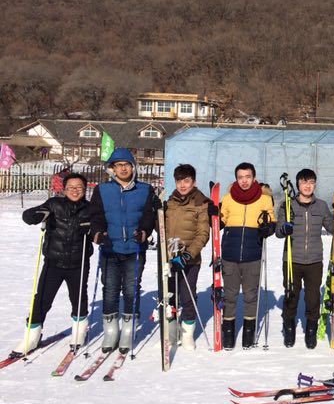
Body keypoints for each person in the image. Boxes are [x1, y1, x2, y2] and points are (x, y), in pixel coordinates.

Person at [12, 173, 93, 355]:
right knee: (42, 299)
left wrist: (94, 229)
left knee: (78, 298)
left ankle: (79, 331)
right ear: (64, 189)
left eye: (79, 187)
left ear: (85, 189)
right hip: (54, 263)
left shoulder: (90, 209)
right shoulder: (54, 204)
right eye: (70, 187)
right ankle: (32, 336)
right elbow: (30, 215)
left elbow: (100, 229)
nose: (74, 190)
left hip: (78, 263)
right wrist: (34, 215)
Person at [89, 148, 155, 354]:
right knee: (109, 289)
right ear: (112, 169)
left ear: (133, 167)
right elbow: (96, 215)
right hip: (111, 248)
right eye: (118, 165)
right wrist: (98, 233)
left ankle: (128, 329)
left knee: (131, 289)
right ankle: (111, 331)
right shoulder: (102, 190)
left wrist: (144, 231)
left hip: (134, 248)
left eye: (126, 165)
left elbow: (149, 216)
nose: (123, 169)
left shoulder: (145, 189)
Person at [219, 162, 275, 350]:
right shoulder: (228, 198)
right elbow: (221, 220)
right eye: (240, 177)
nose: (244, 181)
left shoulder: (264, 199)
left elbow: (271, 220)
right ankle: (228, 332)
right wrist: (214, 215)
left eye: (247, 177)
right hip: (230, 254)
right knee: (230, 295)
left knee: (251, 295)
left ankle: (249, 333)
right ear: (236, 178)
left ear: (254, 178)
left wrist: (269, 228)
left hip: (253, 254)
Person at [275, 168, 334, 349]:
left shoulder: (321, 206)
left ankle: (311, 329)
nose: (307, 186)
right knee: (291, 295)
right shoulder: (287, 205)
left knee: (313, 297)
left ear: (315, 184)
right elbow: (278, 232)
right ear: (298, 184)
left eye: (311, 182)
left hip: (314, 260)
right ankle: (289, 327)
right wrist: (284, 229)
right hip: (292, 260)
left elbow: (332, 228)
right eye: (303, 182)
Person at [164, 164, 210, 351]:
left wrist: (188, 255)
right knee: (169, 297)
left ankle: (187, 334)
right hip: (169, 259)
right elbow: (163, 228)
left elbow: (203, 234)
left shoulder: (200, 203)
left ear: (194, 182)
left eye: (186, 181)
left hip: (189, 260)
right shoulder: (170, 202)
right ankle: (171, 333)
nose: (182, 185)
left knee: (187, 296)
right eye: (179, 181)